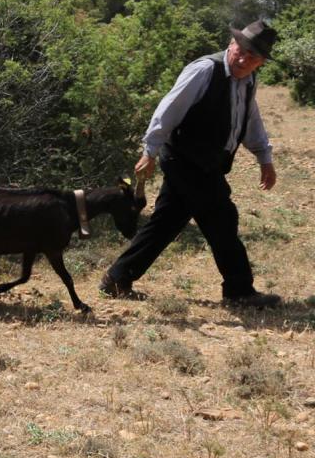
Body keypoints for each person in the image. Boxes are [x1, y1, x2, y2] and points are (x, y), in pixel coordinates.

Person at [100, 19, 281, 309]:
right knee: (222, 219)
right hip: (185, 159)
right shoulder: (204, 71)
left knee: (166, 222)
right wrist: (149, 151)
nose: (244, 59)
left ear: (260, 62)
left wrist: (264, 157)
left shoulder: (247, 80)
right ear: (232, 44)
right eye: (242, 50)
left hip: (210, 162)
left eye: (253, 57)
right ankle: (239, 290)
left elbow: (249, 121)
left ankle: (117, 277)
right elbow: (167, 111)